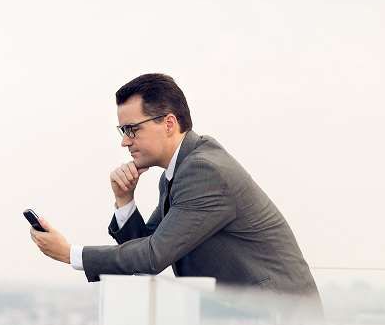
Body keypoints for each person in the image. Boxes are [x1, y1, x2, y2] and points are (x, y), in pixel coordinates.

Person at [30, 73, 320, 301]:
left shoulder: (204, 171)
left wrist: (69, 253)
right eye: (122, 131)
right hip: (247, 321)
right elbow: (147, 248)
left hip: (280, 323)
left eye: (132, 129)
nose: (125, 141)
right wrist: (125, 200)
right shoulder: (180, 170)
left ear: (169, 124)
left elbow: (152, 256)